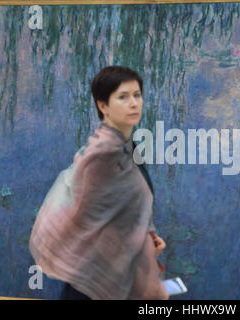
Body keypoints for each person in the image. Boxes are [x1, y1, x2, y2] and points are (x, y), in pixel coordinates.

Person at [29, 66, 168, 300]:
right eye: (123, 97)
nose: (134, 103)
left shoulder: (128, 147)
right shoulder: (101, 154)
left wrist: (148, 235)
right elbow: (87, 221)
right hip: (95, 279)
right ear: (103, 106)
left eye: (137, 95)